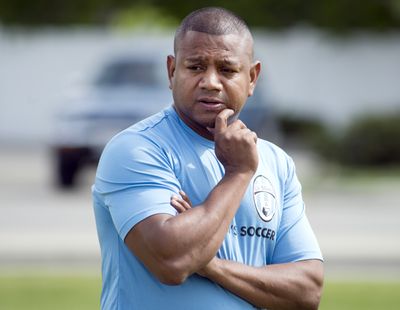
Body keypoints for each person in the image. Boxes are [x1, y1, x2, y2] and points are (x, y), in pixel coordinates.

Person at [93, 6, 324, 310]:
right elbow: (173, 262)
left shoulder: (275, 162)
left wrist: (210, 265)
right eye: (196, 67)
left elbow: (306, 291)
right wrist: (238, 174)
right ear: (172, 71)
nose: (211, 82)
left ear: (252, 78)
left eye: (227, 70)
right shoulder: (136, 149)